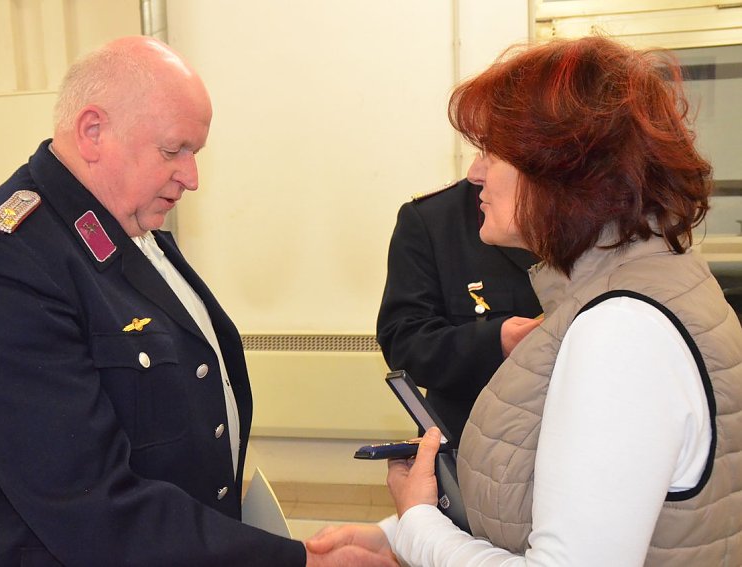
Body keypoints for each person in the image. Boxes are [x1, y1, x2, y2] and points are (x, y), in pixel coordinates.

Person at [0, 36, 393, 567]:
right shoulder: (2, 263)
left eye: (195, 153)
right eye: (173, 151)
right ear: (93, 131)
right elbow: (87, 504)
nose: (192, 177)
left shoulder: (129, 226)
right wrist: (295, 562)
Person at [308, 35, 742, 565]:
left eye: (492, 152)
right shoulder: (638, 286)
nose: (474, 174)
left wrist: (419, 523)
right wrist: (396, 535)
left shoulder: (622, 326)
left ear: (563, 171)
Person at [377, 178, 542, 441]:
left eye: (490, 153)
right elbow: (403, 342)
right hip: (472, 447)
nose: (475, 170)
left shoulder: (607, 212)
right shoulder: (435, 219)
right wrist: (495, 342)